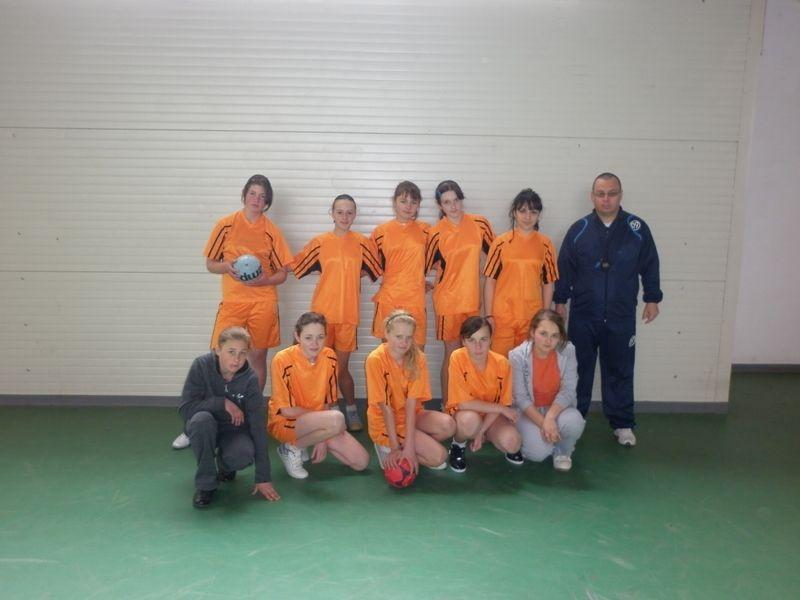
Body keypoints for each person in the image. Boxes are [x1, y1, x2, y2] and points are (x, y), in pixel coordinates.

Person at [172, 175, 293, 451]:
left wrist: (264, 280)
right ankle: (197, 420)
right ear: (244, 195)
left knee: (257, 357)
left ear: (268, 201)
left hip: (263, 301)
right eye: (253, 193)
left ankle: (249, 414)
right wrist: (227, 266)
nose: (257, 199)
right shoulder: (225, 225)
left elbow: (283, 273)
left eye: (262, 196)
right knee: (218, 357)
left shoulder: (272, 231)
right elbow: (210, 264)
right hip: (233, 301)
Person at [553, 173, 662, 447]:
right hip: (583, 315)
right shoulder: (579, 230)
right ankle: (574, 421)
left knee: (620, 370)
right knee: (578, 371)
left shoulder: (637, 228)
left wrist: (652, 298)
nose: (606, 199)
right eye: (600, 194)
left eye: (612, 193)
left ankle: (622, 424)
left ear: (620, 195)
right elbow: (564, 268)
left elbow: (650, 264)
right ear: (592, 197)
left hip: (621, 316)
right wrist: (560, 301)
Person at [292, 194, 381, 431]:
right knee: (320, 368)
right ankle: (328, 411)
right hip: (320, 319)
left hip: (348, 317)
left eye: (349, 212)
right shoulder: (320, 242)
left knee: (340, 369)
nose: (344, 216)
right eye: (340, 212)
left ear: (355, 215)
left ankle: (350, 409)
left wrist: (354, 274)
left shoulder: (362, 243)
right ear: (331, 213)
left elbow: (377, 268)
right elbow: (296, 266)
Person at [179, 326, 280, 508]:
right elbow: (186, 408)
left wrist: (263, 477)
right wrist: (222, 403)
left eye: (242, 353)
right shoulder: (201, 366)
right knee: (200, 422)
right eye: (231, 352)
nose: (236, 359)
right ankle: (206, 484)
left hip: (233, 430)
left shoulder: (250, 379)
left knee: (242, 454)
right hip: (205, 425)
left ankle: (226, 466)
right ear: (218, 350)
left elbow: (257, 427)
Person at [268, 312, 370, 479]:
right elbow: (286, 411)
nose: (315, 344)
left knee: (361, 462)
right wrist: (324, 423)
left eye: (320, 337)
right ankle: (290, 447)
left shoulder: (330, 357)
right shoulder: (282, 360)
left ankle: (304, 443)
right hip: (286, 422)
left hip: (323, 420)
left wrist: (322, 439)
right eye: (308, 337)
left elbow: (327, 402)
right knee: (337, 419)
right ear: (297, 336)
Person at [425, 180, 495, 406]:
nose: (453, 206)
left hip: (473, 301)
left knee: (475, 355)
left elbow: (496, 258)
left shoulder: (480, 224)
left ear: (461, 200)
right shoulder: (435, 233)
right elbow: (424, 266)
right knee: (453, 355)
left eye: (456, 200)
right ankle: (448, 406)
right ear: (440, 205)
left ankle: (472, 404)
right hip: (448, 303)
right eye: (447, 202)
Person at [366, 311, 456, 473]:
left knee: (449, 425)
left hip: (410, 414)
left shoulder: (418, 358)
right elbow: (385, 408)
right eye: (399, 336)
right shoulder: (375, 359)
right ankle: (387, 447)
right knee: (439, 457)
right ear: (387, 334)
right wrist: (395, 447)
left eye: (409, 337)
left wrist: (409, 447)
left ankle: (408, 446)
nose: (404, 342)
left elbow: (411, 403)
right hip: (385, 421)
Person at [483, 188, 559, 357]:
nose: (527, 217)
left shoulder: (545, 244)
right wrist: (489, 315)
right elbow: (490, 281)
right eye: (522, 211)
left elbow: (548, 283)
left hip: (532, 317)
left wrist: (544, 315)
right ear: (514, 213)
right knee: (501, 364)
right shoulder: (500, 243)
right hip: (503, 317)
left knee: (527, 365)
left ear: (539, 215)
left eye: (533, 212)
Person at [509, 309, 585, 471]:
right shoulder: (517, 356)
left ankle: (562, 451)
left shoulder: (568, 351)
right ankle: (541, 441)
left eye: (554, 336)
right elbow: (521, 398)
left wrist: (550, 417)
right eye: (543, 334)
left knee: (574, 422)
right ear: (532, 332)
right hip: (528, 411)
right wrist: (544, 424)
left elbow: (568, 390)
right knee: (538, 454)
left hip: (556, 409)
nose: (548, 341)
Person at [445, 317, 523, 473]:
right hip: (467, 414)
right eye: (471, 340)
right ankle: (458, 445)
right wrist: (501, 409)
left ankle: (485, 433)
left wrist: (481, 432)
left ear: (491, 340)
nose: (478, 346)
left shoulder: (502, 363)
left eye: (483, 339)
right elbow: (463, 403)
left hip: (492, 416)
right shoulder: (457, 358)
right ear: (463, 341)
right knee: (469, 421)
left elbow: (502, 402)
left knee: (513, 443)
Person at [370, 181, 430, 349]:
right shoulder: (380, 232)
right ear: (394, 202)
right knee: (389, 356)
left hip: (415, 300)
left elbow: (440, 261)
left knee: (416, 356)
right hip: (389, 299)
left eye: (413, 202)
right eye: (403, 201)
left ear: (418, 205)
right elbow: (369, 265)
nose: (408, 206)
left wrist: (426, 281)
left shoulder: (427, 231)